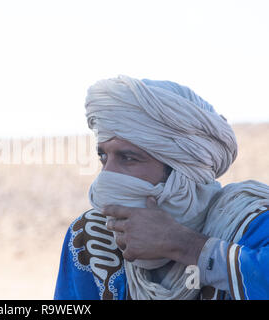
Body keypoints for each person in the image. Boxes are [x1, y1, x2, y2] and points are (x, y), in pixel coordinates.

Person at [54, 75, 269, 300]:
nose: (106, 176)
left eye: (128, 158)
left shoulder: (250, 225)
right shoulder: (95, 237)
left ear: (181, 171)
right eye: (103, 157)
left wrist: (185, 245)